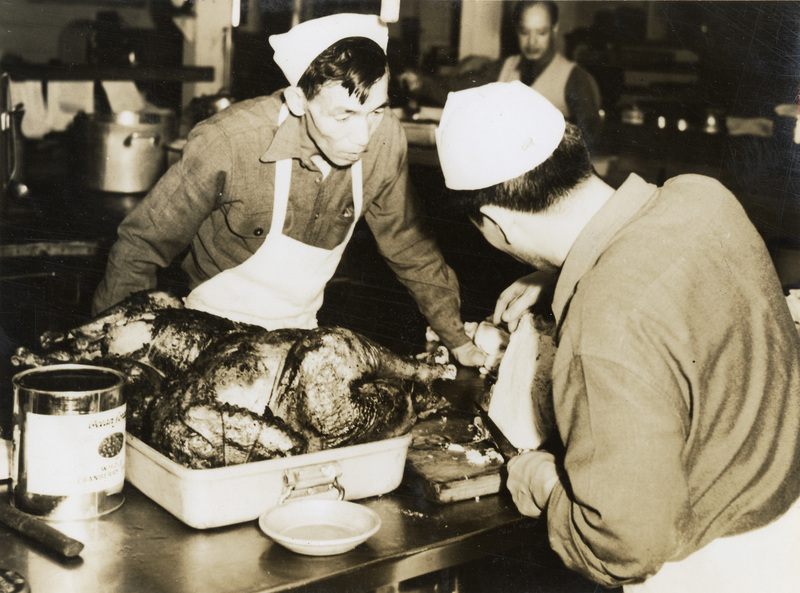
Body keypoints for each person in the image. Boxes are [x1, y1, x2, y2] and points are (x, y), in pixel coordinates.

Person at [435, 81, 800, 592]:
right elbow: (654, 261)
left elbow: (627, 545)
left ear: (496, 224)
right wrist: (565, 271)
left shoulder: (602, 325)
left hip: (714, 568)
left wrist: (542, 483)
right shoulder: (701, 194)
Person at [92, 13, 486, 367]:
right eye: (344, 114)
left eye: (377, 110)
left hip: (300, 341)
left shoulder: (384, 141)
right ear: (299, 100)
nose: (362, 136)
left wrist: (457, 337)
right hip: (203, 338)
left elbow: (408, 244)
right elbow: (140, 247)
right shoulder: (230, 143)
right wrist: (115, 359)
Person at [401, 1, 602, 150]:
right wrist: (422, 83)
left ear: (554, 29)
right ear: (517, 31)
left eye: (540, 32)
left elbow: (589, 140)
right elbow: (458, 87)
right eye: (525, 32)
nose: (532, 42)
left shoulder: (574, 77)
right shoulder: (505, 67)